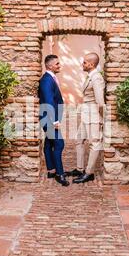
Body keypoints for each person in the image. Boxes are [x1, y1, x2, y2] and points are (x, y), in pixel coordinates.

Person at [67, 53, 105, 184]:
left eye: (84, 62)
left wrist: (102, 117)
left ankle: (89, 173)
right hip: (86, 114)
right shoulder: (90, 77)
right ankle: (79, 168)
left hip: (93, 114)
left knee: (94, 143)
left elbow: (100, 101)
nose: (82, 64)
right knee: (79, 140)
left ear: (91, 64)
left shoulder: (97, 78)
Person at [38, 55, 70, 187]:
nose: (59, 65)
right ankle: (59, 174)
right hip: (49, 118)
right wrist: (55, 120)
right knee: (59, 144)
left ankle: (51, 170)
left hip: (48, 118)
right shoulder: (46, 80)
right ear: (50, 66)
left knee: (48, 144)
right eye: (57, 64)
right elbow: (49, 101)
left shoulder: (50, 78)